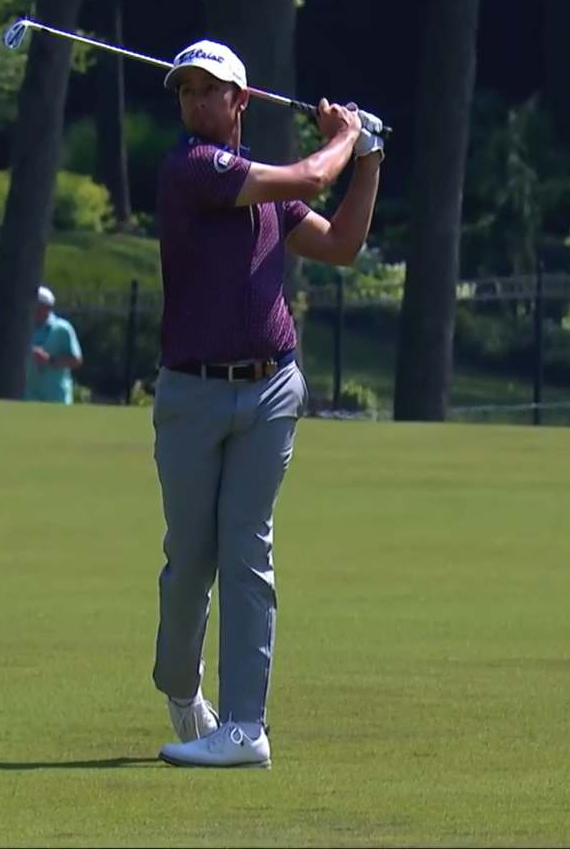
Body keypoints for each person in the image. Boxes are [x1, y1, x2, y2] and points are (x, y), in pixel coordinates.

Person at [150, 40, 382, 767]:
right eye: (185, 92)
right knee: (190, 561)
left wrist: (367, 162)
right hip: (191, 392)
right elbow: (313, 170)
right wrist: (346, 140)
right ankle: (184, 693)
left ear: (240, 100)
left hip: (272, 388)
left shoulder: (269, 193)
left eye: (207, 91)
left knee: (247, 549)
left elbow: (342, 243)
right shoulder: (193, 169)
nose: (193, 103)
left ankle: (246, 726)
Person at [22, 286, 83, 404]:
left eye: (38, 305)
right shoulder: (24, 328)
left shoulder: (62, 329)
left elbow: (76, 361)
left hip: (56, 396)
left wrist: (49, 360)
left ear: (47, 307)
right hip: (29, 396)